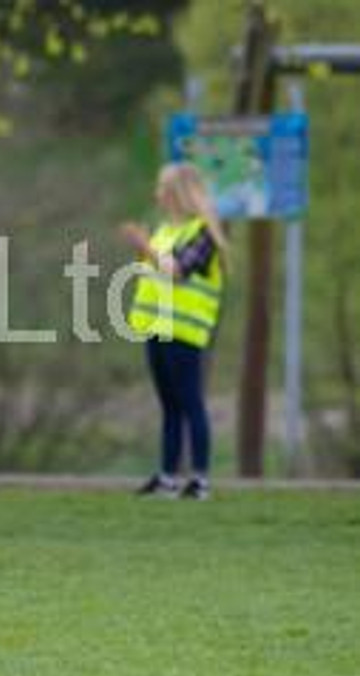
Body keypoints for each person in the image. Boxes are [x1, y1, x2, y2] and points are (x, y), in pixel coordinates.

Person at [120, 162, 228, 500]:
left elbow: (178, 270)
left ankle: (199, 480)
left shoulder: (202, 233)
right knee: (169, 404)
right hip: (157, 327)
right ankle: (167, 477)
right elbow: (155, 271)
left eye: (163, 188)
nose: (157, 195)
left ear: (179, 193)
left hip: (183, 330)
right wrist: (144, 249)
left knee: (190, 401)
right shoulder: (166, 231)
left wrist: (146, 247)